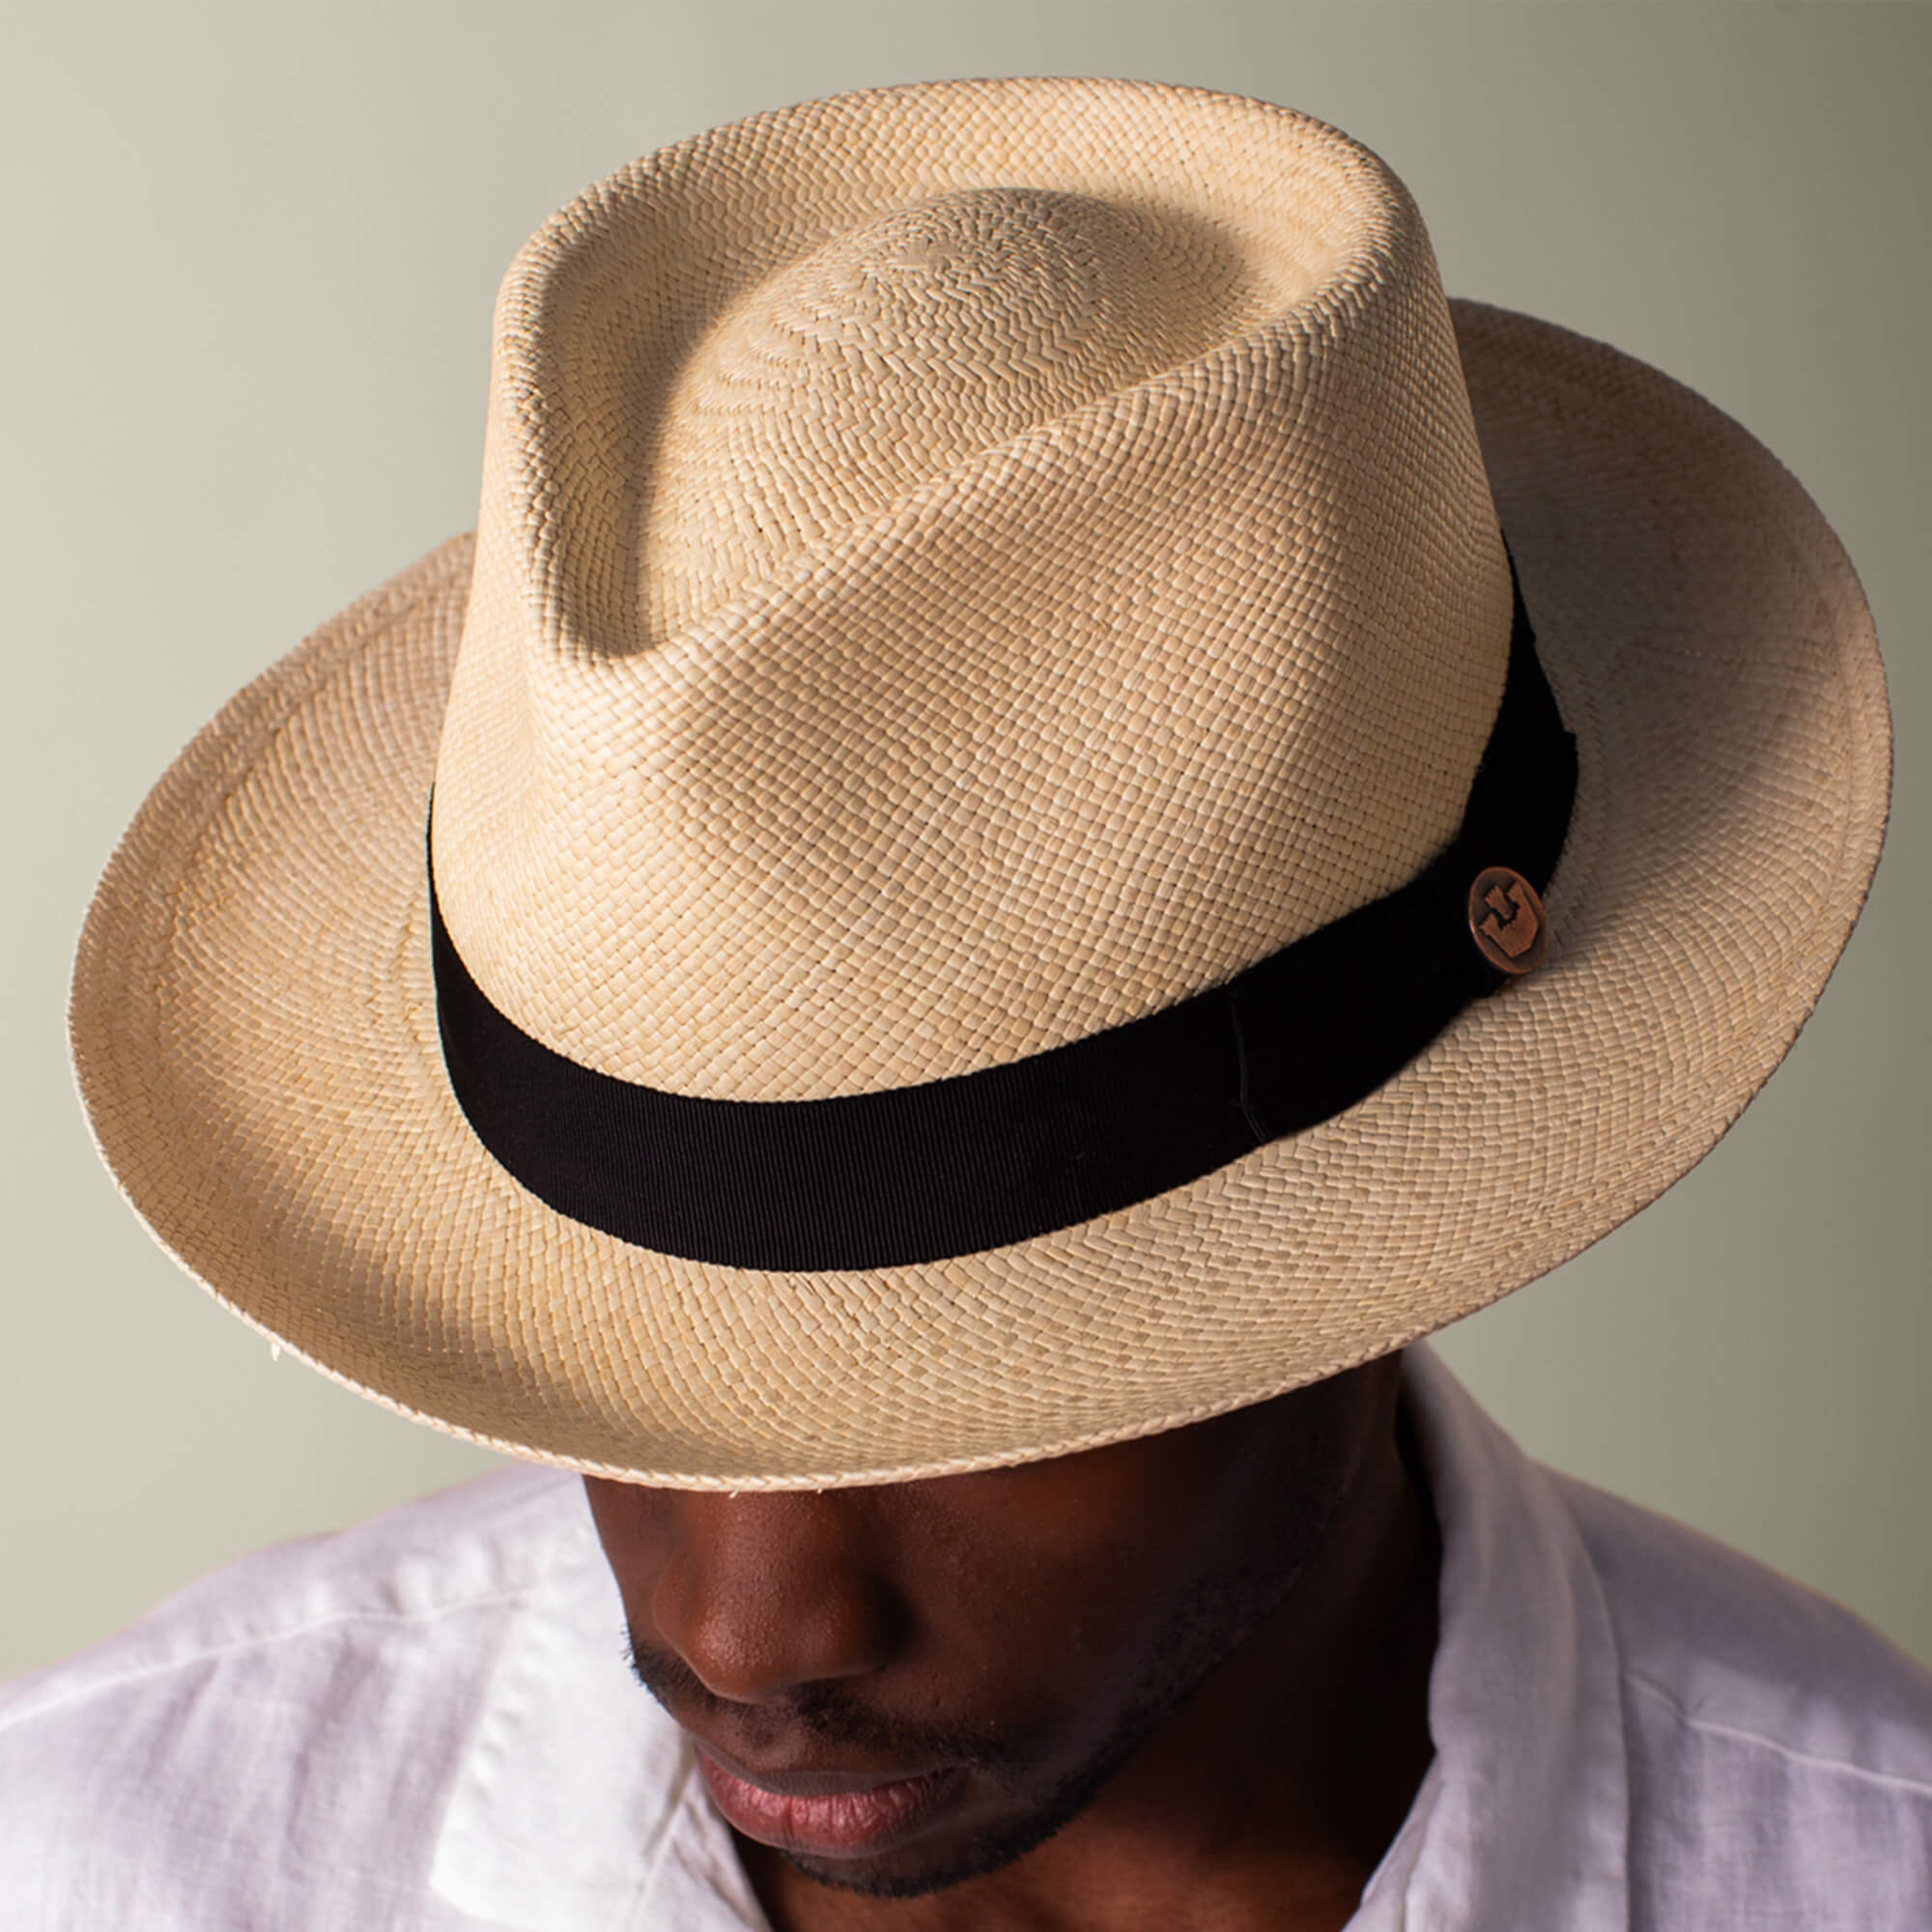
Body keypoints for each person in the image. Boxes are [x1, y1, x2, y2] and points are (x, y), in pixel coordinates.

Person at [6, 76, 1928, 1930]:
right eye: (641, 1371)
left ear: (1361, 1249)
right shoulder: (116, 1856)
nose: (746, 1631)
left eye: (968, 1388)